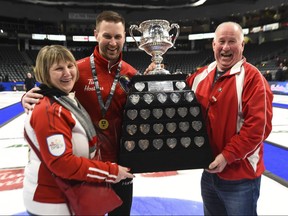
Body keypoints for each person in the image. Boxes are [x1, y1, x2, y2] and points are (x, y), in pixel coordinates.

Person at [145, 21, 273, 215]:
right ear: (213, 45)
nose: (226, 47)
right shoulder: (201, 75)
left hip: (240, 177)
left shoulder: (253, 80)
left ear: (242, 45)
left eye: (232, 41)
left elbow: (258, 129)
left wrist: (227, 157)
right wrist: (154, 81)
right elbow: (176, 98)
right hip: (209, 173)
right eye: (221, 41)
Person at [21, 11, 138, 215]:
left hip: (121, 165)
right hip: (87, 167)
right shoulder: (77, 70)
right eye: (107, 36)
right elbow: (51, 92)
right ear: (96, 34)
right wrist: (27, 97)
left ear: (124, 37)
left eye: (118, 36)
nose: (113, 42)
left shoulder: (132, 74)